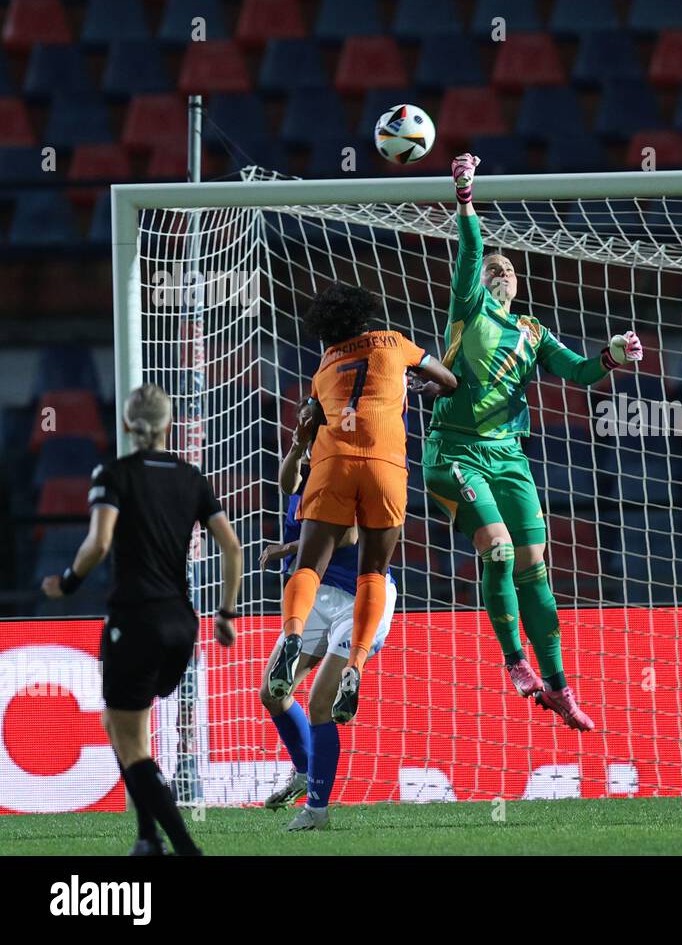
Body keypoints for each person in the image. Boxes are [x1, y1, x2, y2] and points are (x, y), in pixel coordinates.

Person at [414, 152, 645, 731]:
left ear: (520, 282)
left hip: (509, 456)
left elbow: (579, 373)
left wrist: (613, 356)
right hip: (455, 449)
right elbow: (470, 250)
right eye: (494, 267)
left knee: (536, 569)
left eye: (509, 267)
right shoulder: (469, 308)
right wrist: (465, 198)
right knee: (495, 549)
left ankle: (560, 688)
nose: (501, 270)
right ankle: (514, 660)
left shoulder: (533, 332)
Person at [41, 383, 242, 855]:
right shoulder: (192, 477)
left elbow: (99, 543)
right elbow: (232, 547)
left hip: (135, 622)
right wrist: (227, 613)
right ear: (169, 426)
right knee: (122, 725)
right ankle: (146, 836)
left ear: (128, 425)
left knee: (129, 741)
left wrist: (67, 582)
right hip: (182, 627)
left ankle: (184, 848)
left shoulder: (113, 474)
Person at [268, 283, 457, 725]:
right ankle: (354, 664)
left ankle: (292, 635)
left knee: (308, 567)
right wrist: (419, 389)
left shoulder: (325, 365)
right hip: (385, 464)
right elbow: (448, 380)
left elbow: (311, 417)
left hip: (334, 462)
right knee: (373, 569)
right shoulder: (396, 342)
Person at [259, 396, 397, 831]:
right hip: (318, 597)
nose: (298, 419)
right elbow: (285, 485)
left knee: (319, 702)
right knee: (272, 693)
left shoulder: (346, 463)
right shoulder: (313, 459)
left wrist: (288, 549)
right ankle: (305, 769)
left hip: (359, 597)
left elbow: (353, 534)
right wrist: (298, 447)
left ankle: (316, 810)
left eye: (306, 415)